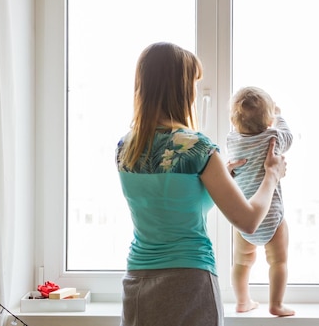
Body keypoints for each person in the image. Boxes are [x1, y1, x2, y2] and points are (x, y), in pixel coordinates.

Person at [115, 42, 287, 326]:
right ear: (180, 89)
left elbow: (171, 205)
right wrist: (271, 173)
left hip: (137, 281)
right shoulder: (196, 147)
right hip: (189, 280)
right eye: (193, 83)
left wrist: (219, 177)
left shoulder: (125, 147)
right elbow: (250, 221)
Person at [226, 86, 295, 317]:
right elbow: (289, 137)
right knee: (278, 262)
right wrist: (278, 116)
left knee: (242, 263)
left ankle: (242, 301)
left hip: (243, 215)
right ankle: (276, 304)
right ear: (268, 121)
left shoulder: (233, 142)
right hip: (270, 215)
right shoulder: (272, 138)